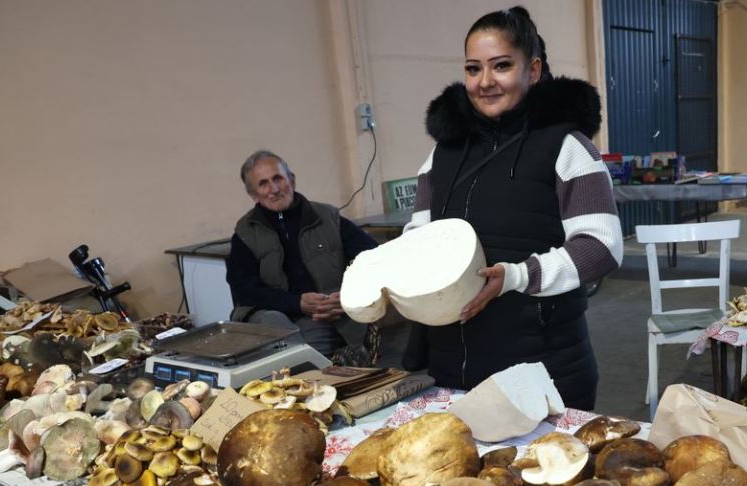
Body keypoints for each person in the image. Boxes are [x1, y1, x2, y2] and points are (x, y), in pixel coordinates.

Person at [403, 6, 622, 410]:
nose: (485, 82)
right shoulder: (442, 155)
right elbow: (419, 238)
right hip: (453, 369)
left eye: (501, 66)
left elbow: (601, 246)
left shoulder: (567, 147)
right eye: (473, 69)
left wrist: (518, 276)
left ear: (533, 70)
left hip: (544, 371)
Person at [225, 150, 378, 360]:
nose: (274, 189)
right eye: (263, 184)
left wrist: (348, 295)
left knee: (308, 356)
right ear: (253, 194)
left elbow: (373, 258)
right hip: (275, 315)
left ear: (292, 180)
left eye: (278, 178)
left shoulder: (327, 217)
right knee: (280, 330)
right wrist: (295, 303)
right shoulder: (246, 232)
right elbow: (243, 289)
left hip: (326, 313)